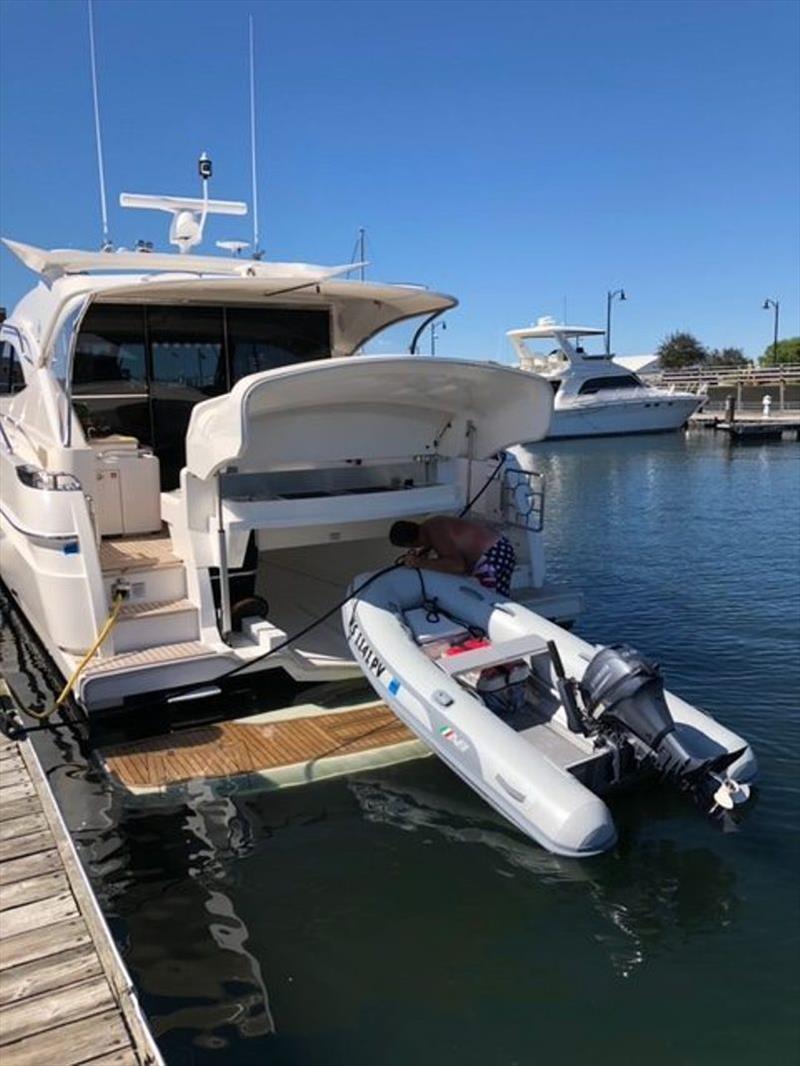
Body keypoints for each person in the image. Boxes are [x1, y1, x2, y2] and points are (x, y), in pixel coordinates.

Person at [389, 516, 516, 597]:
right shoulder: (431, 525)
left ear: (409, 544)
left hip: (492, 556)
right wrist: (423, 554)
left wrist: (420, 563)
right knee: (499, 598)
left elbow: (458, 566)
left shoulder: (434, 532)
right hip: (500, 549)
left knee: (494, 604)